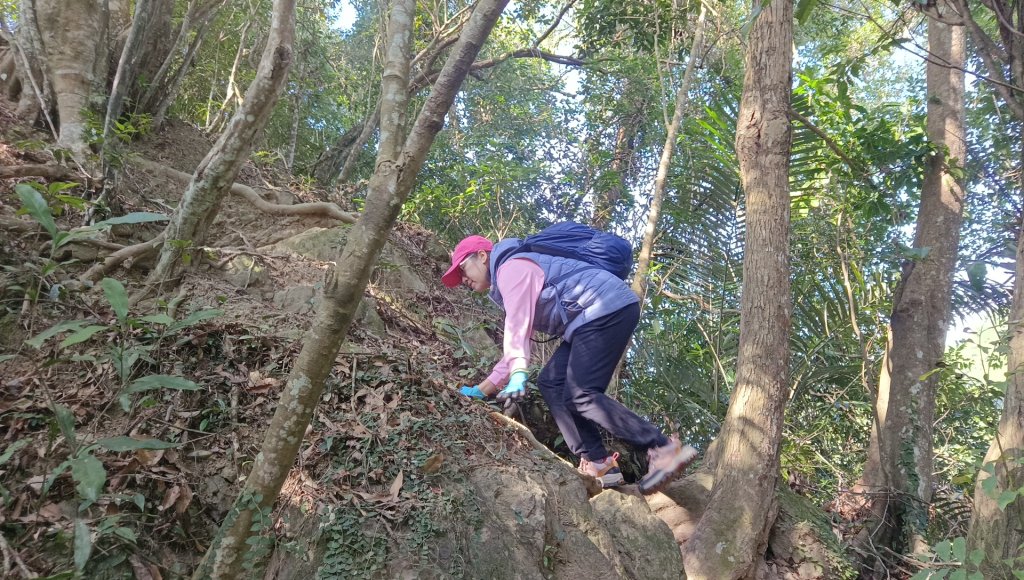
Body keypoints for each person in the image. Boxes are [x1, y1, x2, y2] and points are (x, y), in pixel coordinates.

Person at [441, 233, 698, 494]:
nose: (463, 279)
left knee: (581, 394)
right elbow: (521, 337)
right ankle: (600, 464)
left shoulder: (510, 268)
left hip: (604, 308)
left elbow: (516, 329)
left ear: (483, 256)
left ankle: (662, 447)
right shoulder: (511, 271)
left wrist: (518, 371)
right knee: (551, 382)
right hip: (588, 319)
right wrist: (482, 390)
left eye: (463, 268)